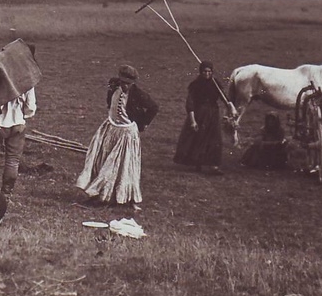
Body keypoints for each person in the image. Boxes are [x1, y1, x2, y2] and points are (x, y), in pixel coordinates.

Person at [76, 65, 158, 212]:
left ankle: (117, 197)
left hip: (126, 133)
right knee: (102, 161)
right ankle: (98, 193)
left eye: (128, 83)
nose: (125, 86)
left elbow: (153, 107)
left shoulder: (138, 94)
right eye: (123, 82)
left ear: (133, 83)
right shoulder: (114, 87)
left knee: (120, 166)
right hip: (111, 128)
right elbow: (110, 103)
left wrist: (143, 123)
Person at [174, 61, 225, 175]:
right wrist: (193, 121)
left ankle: (214, 166)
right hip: (200, 114)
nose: (207, 74)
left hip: (213, 114)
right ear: (201, 72)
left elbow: (224, 97)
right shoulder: (195, 85)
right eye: (205, 71)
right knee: (199, 138)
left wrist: (231, 107)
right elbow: (190, 103)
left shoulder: (215, 84)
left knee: (215, 139)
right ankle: (198, 162)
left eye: (209, 71)